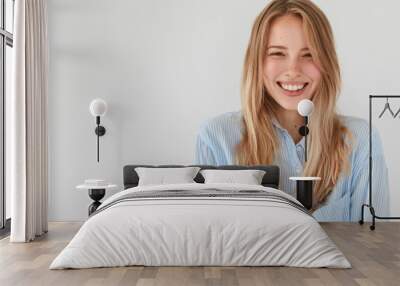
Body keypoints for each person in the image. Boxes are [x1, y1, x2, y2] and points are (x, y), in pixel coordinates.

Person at [194, 0, 390, 221]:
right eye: (278, 53)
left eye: (309, 55)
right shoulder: (215, 137)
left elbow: (374, 242)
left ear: (326, 63)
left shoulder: (362, 140)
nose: (293, 70)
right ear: (257, 61)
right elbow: (213, 241)